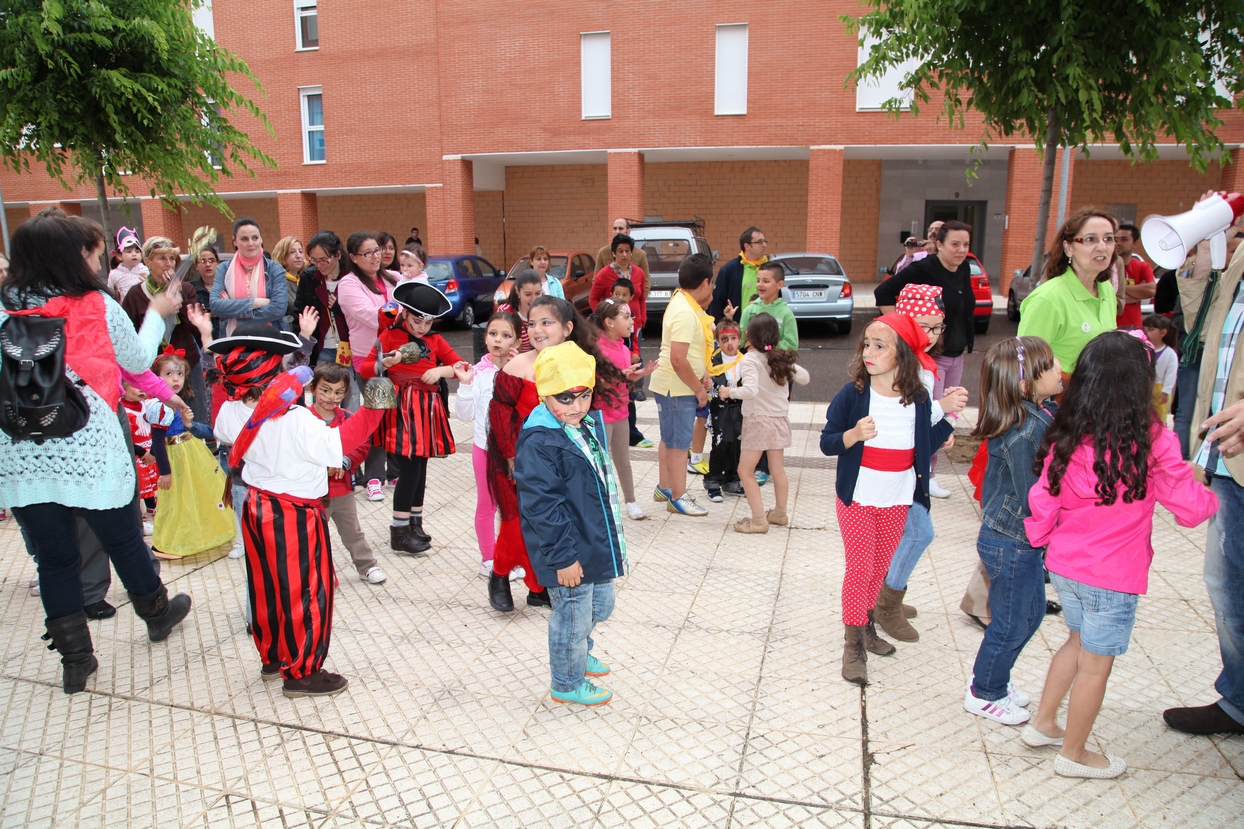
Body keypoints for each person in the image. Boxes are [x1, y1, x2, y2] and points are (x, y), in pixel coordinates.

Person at [0, 214, 192, 694]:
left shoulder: (3, 311)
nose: (95, 258)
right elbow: (138, 359)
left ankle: (75, 661)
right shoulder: (92, 303)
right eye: (89, 251)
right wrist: (159, 310)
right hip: (87, 440)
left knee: (54, 558)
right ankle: (156, 613)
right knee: (122, 539)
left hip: (23, 449)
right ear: (70, 256)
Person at [1023, 331, 1217, 777]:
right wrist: (1208, 492)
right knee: (1096, 665)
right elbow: (1188, 510)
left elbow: (1043, 498)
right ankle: (1074, 755)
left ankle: (1044, 723)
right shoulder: (1153, 441)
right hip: (1114, 577)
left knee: (1075, 641)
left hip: (1066, 566)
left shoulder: (1067, 435)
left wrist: (1040, 537)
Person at [215, 358, 393, 699]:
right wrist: (375, 408)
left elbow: (226, 435)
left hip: (255, 504)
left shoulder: (234, 412)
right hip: (291, 513)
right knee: (306, 592)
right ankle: (302, 673)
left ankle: (274, 656)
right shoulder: (295, 419)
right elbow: (341, 441)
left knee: (266, 586)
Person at [820, 315, 954, 685]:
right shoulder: (853, 395)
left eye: (880, 346)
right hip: (859, 497)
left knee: (878, 571)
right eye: (866, 344)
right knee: (860, 569)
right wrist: (853, 434)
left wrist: (949, 423)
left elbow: (923, 442)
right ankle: (853, 645)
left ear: (903, 354)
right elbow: (827, 441)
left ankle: (866, 628)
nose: (869, 352)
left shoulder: (918, 398)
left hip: (897, 497)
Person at [488, 297, 627, 612]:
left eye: (546, 322)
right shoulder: (518, 365)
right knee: (518, 522)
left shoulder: (579, 360)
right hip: (522, 459)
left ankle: (539, 585)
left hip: (566, 457)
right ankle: (498, 575)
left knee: (563, 519)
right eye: (532, 323)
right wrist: (511, 456)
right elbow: (499, 412)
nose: (537, 330)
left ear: (567, 328)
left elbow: (590, 411)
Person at [1166, 195, 1244, 736]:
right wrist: (1202, 247)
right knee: (1227, 583)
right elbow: (1200, 327)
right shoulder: (1237, 260)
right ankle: (1238, 698)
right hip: (1226, 452)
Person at [514, 341, 628, 706]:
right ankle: (567, 679)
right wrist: (563, 557)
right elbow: (542, 507)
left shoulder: (585, 422)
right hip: (567, 551)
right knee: (573, 617)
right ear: (545, 395)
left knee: (600, 606)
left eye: (584, 396)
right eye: (565, 399)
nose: (576, 407)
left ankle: (578, 650)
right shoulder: (540, 442)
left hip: (593, 538)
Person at [962, 337, 1061, 727]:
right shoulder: (1025, 431)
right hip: (1013, 541)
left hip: (1017, 541)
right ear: (1025, 384)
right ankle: (985, 691)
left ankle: (994, 679)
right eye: (1050, 365)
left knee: (1030, 615)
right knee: (1011, 621)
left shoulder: (1037, 415)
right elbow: (1034, 494)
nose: (1058, 371)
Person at [873, 284, 969, 642]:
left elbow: (922, 423)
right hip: (893, 467)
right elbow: (902, 420)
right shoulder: (897, 365)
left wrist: (942, 425)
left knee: (902, 534)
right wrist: (942, 409)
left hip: (910, 465)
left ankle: (887, 594)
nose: (932, 335)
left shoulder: (921, 362)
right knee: (919, 532)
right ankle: (886, 603)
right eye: (925, 327)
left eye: (937, 327)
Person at [360, 282, 463, 556]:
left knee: (421, 468)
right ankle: (399, 530)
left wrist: (441, 371)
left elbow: (461, 366)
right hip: (400, 409)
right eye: (417, 321)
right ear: (404, 314)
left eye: (428, 323)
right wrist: (387, 363)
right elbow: (365, 367)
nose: (422, 328)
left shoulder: (435, 340)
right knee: (409, 470)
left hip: (427, 409)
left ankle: (414, 524)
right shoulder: (389, 337)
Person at [875, 220, 975, 499]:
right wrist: (899, 327)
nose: (961, 250)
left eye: (966, 245)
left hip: (956, 353)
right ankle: (924, 475)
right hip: (933, 354)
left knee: (946, 412)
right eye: (955, 244)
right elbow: (883, 292)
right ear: (939, 244)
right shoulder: (924, 268)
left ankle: (928, 473)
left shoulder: (964, 268)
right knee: (929, 412)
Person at [146, 348, 235, 557]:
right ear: (155, 378)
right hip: (175, 457)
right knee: (177, 499)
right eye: (168, 374)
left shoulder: (176, 403)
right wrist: (164, 472)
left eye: (180, 374)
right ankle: (169, 542)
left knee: (197, 493)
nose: (175, 379)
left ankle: (199, 535)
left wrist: (188, 423)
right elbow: (158, 441)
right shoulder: (161, 407)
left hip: (191, 451)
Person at [724, 314, 809, 533]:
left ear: (747, 336)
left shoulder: (750, 359)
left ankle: (759, 520)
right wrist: (788, 363)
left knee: (745, 471)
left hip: (758, 421)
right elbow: (806, 378)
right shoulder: (779, 358)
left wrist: (729, 391)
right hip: (779, 420)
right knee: (777, 470)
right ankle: (780, 513)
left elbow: (750, 390)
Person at [454, 312, 522, 577]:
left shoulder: (522, 370)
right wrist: (465, 385)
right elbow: (464, 414)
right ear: (484, 337)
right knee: (488, 504)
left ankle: (513, 555)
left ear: (516, 340)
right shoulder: (478, 373)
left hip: (515, 452)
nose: (498, 340)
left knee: (514, 506)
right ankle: (488, 558)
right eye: (493, 334)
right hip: (484, 450)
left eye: (506, 336)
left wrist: (518, 374)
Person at [307, 362, 387, 585]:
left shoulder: (349, 418)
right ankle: (323, 572)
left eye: (338, 392)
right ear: (313, 389)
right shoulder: (303, 420)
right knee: (314, 537)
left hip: (342, 491)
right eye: (325, 390)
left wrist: (344, 462)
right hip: (313, 493)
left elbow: (362, 445)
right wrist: (324, 464)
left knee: (353, 533)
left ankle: (367, 566)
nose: (331, 397)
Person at [651, 254, 717, 517]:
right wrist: (699, 389)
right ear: (705, 282)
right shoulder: (685, 311)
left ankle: (664, 487)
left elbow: (686, 356)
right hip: (677, 388)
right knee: (679, 444)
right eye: (711, 284)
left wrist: (701, 376)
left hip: (675, 385)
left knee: (669, 439)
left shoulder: (684, 304)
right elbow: (677, 358)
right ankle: (678, 497)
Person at [1017, 207, 1119, 375]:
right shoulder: (1048, 298)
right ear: (1068, 248)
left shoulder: (1106, 289)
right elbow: (1026, 362)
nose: (1102, 247)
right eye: (1090, 239)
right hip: (1059, 397)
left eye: (1108, 239)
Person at [338, 232, 399, 501]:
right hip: (370, 361)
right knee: (377, 416)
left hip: (398, 356)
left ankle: (396, 471)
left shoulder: (393, 278)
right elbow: (372, 316)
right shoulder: (348, 285)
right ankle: (373, 478)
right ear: (353, 257)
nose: (376, 257)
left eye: (378, 250)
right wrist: (401, 309)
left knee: (399, 415)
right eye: (368, 253)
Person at [121, 236, 209, 422]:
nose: (168, 264)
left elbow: (194, 327)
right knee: (161, 420)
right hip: (155, 368)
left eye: (171, 259)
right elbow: (130, 335)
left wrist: (177, 293)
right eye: (162, 259)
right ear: (147, 262)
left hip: (186, 363)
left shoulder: (186, 288)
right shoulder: (135, 295)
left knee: (195, 414)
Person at [592, 298, 659, 520]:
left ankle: (630, 501)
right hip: (601, 414)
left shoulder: (622, 347)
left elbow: (624, 376)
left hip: (621, 413)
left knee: (623, 460)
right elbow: (597, 382)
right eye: (627, 316)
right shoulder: (597, 348)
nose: (633, 320)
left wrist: (639, 374)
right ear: (610, 323)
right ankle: (601, 503)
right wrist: (622, 375)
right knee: (601, 462)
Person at [209, 217, 290, 336]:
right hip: (234, 340)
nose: (251, 243)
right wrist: (255, 303)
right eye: (244, 239)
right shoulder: (224, 269)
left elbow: (278, 309)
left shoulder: (274, 269)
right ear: (235, 241)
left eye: (255, 238)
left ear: (261, 239)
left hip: (270, 341)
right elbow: (216, 306)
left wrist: (238, 315)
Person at [608, 277, 652, 449]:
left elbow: (634, 340)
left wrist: (635, 353)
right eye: (616, 293)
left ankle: (632, 434)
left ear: (631, 297)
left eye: (624, 294)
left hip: (628, 368)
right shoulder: (606, 317)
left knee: (629, 402)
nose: (620, 297)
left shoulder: (631, 319)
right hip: (612, 371)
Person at [704, 320, 745, 502]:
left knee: (736, 447)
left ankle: (731, 480)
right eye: (724, 339)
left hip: (740, 411)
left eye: (734, 338)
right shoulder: (713, 361)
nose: (730, 343)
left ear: (740, 340)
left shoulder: (744, 361)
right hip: (720, 411)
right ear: (718, 342)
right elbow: (708, 387)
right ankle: (713, 481)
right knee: (720, 445)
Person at [589, 234, 647, 331]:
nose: (624, 254)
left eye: (627, 251)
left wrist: (642, 318)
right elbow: (593, 299)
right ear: (614, 253)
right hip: (613, 327)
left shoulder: (639, 272)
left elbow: (641, 299)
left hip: (634, 323)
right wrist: (603, 318)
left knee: (634, 346)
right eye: (620, 251)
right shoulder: (603, 274)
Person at [709, 226, 768, 321]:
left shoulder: (769, 268)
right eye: (759, 242)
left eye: (765, 241)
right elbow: (717, 302)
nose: (764, 244)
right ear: (747, 246)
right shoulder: (729, 270)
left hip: (765, 326)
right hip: (738, 329)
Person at [738, 261, 799, 351]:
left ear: (780, 284)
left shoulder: (786, 314)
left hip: (777, 363)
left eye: (766, 281)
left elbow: (792, 345)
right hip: (754, 362)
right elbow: (740, 340)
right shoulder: (749, 310)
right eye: (758, 281)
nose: (760, 284)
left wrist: (765, 346)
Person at [1114, 222, 1156, 329]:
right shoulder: (1104, 266)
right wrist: (1136, 294)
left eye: (1124, 239)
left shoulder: (1142, 266)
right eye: (1116, 239)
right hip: (1109, 325)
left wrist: (1118, 288)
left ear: (1135, 244)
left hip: (1133, 327)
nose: (1118, 243)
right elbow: (1106, 298)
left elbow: (1151, 290)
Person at [596, 218, 650, 296]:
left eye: (621, 228)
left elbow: (646, 283)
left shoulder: (640, 254)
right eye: (615, 228)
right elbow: (596, 279)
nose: (617, 231)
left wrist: (637, 301)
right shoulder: (603, 252)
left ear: (628, 231)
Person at [1143, 314, 1179, 422]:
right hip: (1144, 387)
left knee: (1159, 417)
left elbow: (1171, 375)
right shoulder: (1143, 349)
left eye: (1151, 329)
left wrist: (1166, 391)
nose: (1146, 333)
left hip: (1160, 388)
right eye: (1144, 329)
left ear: (1163, 333)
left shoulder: (1169, 354)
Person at [497, 269, 544, 353]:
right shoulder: (505, 311)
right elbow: (499, 344)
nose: (533, 299)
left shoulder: (546, 311)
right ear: (517, 291)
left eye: (538, 293)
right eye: (528, 294)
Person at [107, 226, 149, 300]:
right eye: (129, 251)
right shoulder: (114, 274)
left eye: (137, 251)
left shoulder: (145, 271)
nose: (134, 254)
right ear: (120, 256)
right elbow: (110, 293)